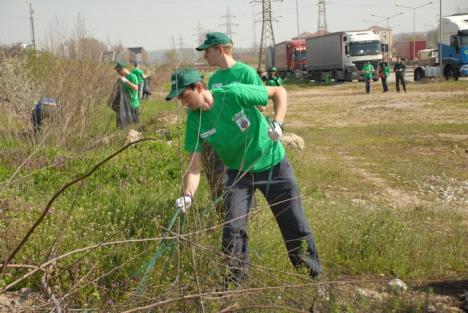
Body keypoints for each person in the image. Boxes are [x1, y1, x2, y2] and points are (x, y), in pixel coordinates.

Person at [168, 68, 322, 286]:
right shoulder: (195, 121)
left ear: (199, 87)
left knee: (294, 223)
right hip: (237, 174)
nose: (183, 103)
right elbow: (194, 168)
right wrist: (187, 196)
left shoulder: (233, 93)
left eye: (184, 96)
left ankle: (312, 279)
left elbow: (279, 92)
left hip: (273, 165)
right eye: (179, 99)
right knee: (232, 229)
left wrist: (278, 123)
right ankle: (233, 284)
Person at [195, 32, 264, 213]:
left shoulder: (246, 73)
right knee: (223, 180)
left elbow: (261, 105)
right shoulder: (215, 78)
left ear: (219, 50)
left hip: (245, 139)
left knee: (245, 180)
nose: (204, 55)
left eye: (207, 51)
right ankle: (224, 214)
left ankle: (248, 217)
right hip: (225, 140)